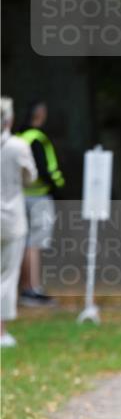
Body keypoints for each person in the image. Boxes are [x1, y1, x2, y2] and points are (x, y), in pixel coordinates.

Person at [16, 100, 64, 306]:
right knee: (34, 244)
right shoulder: (37, 138)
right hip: (39, 198)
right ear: (40, 115)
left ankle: (25, 288)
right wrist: (56, 185)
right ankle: (32, 289)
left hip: (19, 198)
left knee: (22, 242)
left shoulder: (17, 138)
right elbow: (43, 170)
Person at [1, 97, 37, 347]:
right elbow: (30, 177)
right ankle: (1, 332)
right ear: (9, 119)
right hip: (11, 217)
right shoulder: (18, 146)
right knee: (6, 275)